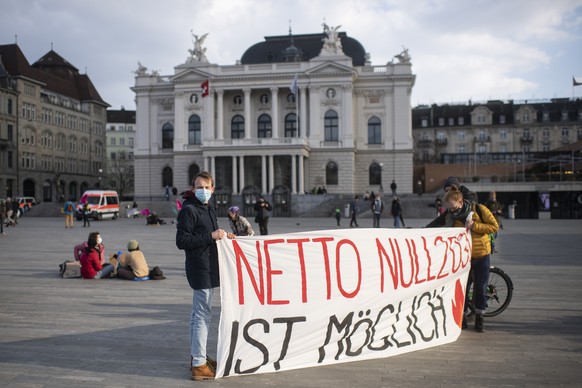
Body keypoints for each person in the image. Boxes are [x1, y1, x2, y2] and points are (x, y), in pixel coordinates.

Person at [176, 171, 231, 381]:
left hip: (208, 266)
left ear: (213, 189)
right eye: (199, 187)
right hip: (201, 268)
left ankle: (197, 357)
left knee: (197, 315)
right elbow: (182, 241)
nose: (203, 191)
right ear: (192, 188)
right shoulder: (189, 210)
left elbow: (211, 235)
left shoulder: (207, 209)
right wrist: (211, 236)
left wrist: (224, 236)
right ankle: (199, 363)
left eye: (206, 187)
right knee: (202, 315)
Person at [443, 186, 499, 332]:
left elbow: (494, 226)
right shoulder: (451, 217)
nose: (452, 211)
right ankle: (462, 317)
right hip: (463, 259)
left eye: (454, 208)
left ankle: (480, 318)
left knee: (480, 289)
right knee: (462, 289)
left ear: (461, 203)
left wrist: (475, 226)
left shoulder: (479, 209)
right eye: (449, 208)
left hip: (481, 256)